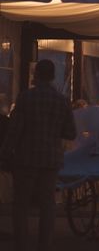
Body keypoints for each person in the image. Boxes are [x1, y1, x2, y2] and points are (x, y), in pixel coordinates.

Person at [0, 59, 76, 251]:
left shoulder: (26, 98)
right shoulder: (62, 100)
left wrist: (5, 153)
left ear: (36, 75)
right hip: (51, 158)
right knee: (47, 203)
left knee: (21, 203)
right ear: (52, 76)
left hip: (26, 158)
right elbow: (70, 132)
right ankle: (45, 243)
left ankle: (22, 243)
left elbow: (14, 130)